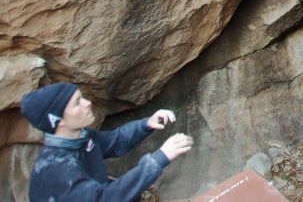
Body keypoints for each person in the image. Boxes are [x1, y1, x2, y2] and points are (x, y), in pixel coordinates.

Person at [20, 82, 193, 202]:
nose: (88, 103)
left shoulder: (82, 137)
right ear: (59, 121)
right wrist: (158, 159)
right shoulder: (56, 168)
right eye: (77, 103)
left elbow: (116, 141)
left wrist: (146, 124)